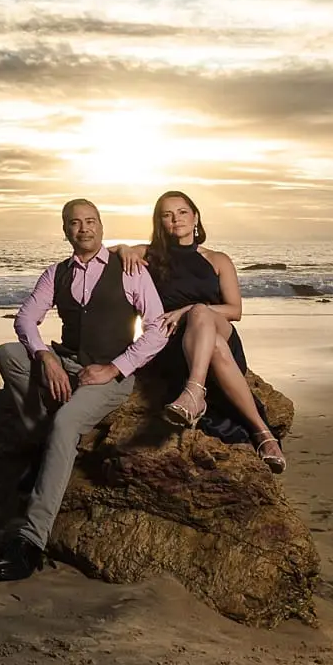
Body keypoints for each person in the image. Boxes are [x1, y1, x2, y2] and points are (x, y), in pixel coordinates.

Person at [0, 198, 170, 582]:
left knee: (67, 421)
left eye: (90, 222)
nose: (83, 229)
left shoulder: (129, 268)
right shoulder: (56, 274)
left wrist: (115, 368)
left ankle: (31, 542)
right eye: (75, 223)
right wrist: (45, 357)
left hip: (111, 374)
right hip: (66, 363)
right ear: (65, 230)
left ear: (101, 227)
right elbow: (26, 318)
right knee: (9, 354)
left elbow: (157, 328)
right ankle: (45, 444)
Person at [116, 190, 286, 473]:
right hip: (175, 344)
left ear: (195, 217)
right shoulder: (148, 254)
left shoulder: (218, 259)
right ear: (160, 222)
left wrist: (191, 309)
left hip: (217, 325)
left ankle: (194, 393)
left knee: (200, 313)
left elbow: (235, 310)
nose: (176, 219)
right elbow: (105, 253)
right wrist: (122, 247)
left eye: (182, 212)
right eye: (167, 215)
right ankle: (263, 435)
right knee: (215, 346)